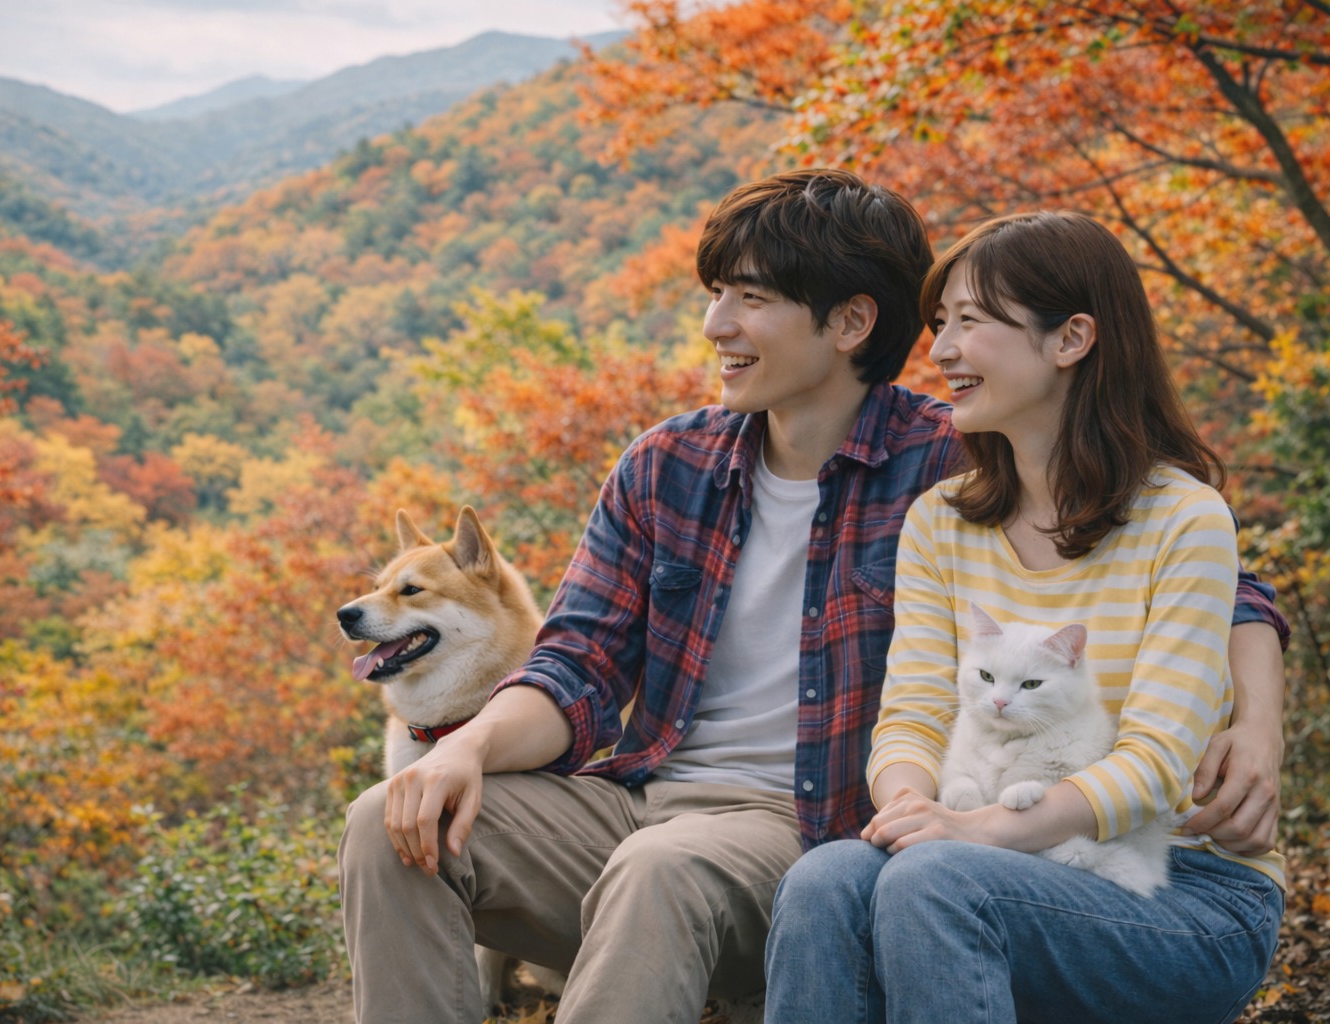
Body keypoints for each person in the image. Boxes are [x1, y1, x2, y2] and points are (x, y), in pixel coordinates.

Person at [337, 172, 1289, 1024]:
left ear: (850, 323)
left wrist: (1257, 722)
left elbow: (1190, 563)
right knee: (391, 821)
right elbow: (575, 663)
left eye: (749, 299)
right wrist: (460, 749)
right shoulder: (669, 466)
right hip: (645, 799)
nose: (716, 326)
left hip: (801, 826)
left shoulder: (952, 458)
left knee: (666, 871)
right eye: (717, 296)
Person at [763, 210, 1287, 1024]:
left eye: (969, 322)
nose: (938, 351)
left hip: (1184, 885)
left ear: (1071, 338)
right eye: (939, 325)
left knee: (939, 881)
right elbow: (913, 715)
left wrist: (971, 833)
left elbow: (1154, 763)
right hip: (988, 849)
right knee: (827, 879)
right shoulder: (941, 521)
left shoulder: (1184, 521)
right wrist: (913, 807)